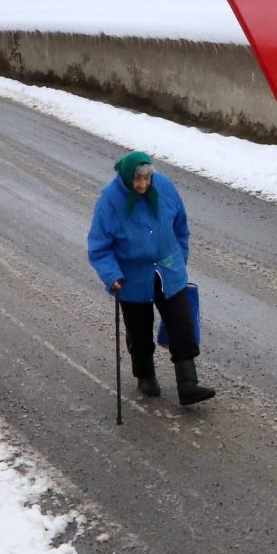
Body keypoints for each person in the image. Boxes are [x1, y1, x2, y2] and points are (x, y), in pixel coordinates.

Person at [87, 151, 216, 406]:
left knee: (182, 323)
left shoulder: (165, 187)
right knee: (139, 330)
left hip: (168, 270)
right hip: (132, 276)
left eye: (147, 179)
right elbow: (99, 247)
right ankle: (145, 374)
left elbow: (181, 227)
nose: (143, 185)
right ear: (126, 178)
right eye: (137, 180)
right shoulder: (110, 200)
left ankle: (188, 384)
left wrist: (180, 259)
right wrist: (112, 275)